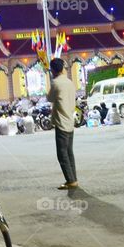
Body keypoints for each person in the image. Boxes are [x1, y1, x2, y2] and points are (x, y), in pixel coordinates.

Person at [46, 57, 78, 190]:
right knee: (69, 152)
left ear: (53, 70)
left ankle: (70, 180)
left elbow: (49, 98)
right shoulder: (69, 82)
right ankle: (73, 179)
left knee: (62, 154)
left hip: (61, 123)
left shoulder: (56, 83)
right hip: (70, 120)